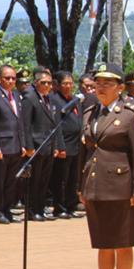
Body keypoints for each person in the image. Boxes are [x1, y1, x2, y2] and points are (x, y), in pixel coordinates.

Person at [78, 64, 134, 269]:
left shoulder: (131, 114)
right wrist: (81, 186)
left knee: (122, 243)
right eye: (98, 82)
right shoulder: (90, 112)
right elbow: (86, 151)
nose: (101, 87)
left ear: (120, 87)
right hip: (96, 185)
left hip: (121, 187)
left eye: (107, 83)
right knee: (104, 244)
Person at [0, 65, 28, 224]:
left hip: (16, 145)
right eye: (7, 78)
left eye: (13, 78)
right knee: (0, 181)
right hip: (2, 146)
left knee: (11, 181)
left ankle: (7, 210)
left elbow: (20, 121)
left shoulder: (16, 95)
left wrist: (23, 143)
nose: (11, 81)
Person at [21, 68, 64, 220]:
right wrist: (29, 146)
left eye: (49, 83)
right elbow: (26, 124)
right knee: (35, 180)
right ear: (36, 83)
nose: (47, 86)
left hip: (48, 146)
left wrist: (56, 146)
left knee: (44, 181)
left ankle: (40, 209)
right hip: (36, 145)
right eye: (43, 83)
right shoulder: (30, 98)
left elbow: (54, 124)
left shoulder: (49, 98)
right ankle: (32, 211)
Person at [50, 71, 83, 218]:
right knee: (61, 179)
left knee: (72, 179)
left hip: (76, 144)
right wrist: (60, 146)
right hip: (64, 144)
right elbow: (56, 125)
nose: (68, 86)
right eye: (65, 83)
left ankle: (71, 206)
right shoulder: (55, 100)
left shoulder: (75, 100)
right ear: (57, 85)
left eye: (70, 83)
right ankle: (60, 207)